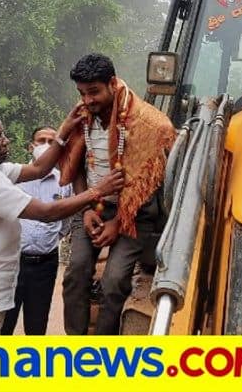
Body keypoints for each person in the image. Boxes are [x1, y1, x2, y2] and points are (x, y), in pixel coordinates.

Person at [0, 111, 123, 335]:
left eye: (4, 134)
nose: (6, 140)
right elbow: (46, 213)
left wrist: (64, 129)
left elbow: (39, 169)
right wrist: (97, 191)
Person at [58, 53, 176, 335]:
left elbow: (149, 186)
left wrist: (119, 223)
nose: (87, 100)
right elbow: (75, 168)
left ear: (112, 83)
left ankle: (104, 351)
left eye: (94, 92)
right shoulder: (81, 116)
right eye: (82, 93)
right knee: (76, 273)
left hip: (136, 215)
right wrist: (86, 208)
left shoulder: (149, 125)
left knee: (113, 283)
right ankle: (74, 345)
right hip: (93, 206)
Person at [0, 126, 72, 335]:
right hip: (13, 262)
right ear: (31, 146)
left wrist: (54, 237)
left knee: (37, 325)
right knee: (4, 323)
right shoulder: (13, 178)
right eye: (42, 141)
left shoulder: (63, 182)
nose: (46, 146)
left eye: (52, 141)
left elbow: (65, 219)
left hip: (45, 264)